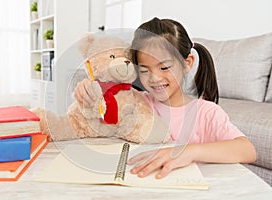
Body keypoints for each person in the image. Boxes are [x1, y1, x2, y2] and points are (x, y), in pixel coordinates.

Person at [74, 17, 256, 179]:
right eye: (144, 70)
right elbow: (103, 119)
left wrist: (188, 151)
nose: (154, 78)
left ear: (187, 63)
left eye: (164, 68)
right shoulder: (136, 102)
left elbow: (248, 150)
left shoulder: (206, 113)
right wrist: (89, 94)